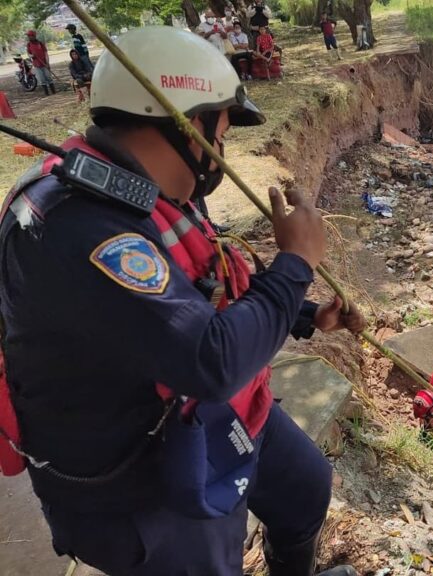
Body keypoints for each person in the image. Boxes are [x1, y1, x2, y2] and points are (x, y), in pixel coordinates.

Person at [0, 26, 365, 576]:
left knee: (304, 488)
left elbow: (196, 290)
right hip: (138, 479)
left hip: (196, 413)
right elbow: (210, 360)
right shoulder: (78, 226)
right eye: (221, 131)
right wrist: (296, 266)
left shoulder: (149, 188)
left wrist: (304, 312)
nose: (223, 151)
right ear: (189, 126)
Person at [25, 30, 55, 96]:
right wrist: (32, 55)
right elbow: (28, 54)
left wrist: (47, 63)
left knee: (48, 77)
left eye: (30, 36)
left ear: (34, 36)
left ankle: (53, 92)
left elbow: (45, 53)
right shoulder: (29, 44)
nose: (29, 37)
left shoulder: (40, 43)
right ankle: (47, 94)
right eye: (28, 36)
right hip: (36, 65)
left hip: (44, 63)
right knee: (42, 79)